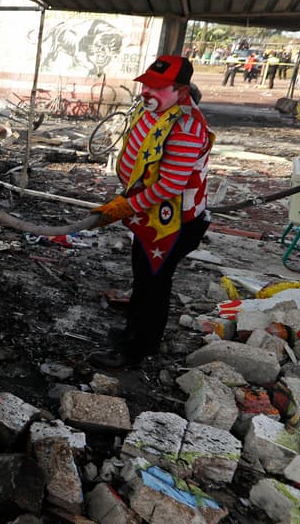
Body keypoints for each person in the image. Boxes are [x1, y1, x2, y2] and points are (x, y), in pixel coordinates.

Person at [88, 55, 214, 370]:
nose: (147, 92)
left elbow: (170, 185)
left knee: (154, 285)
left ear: (182, 90)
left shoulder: (186, 126)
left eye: (158, 87)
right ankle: (135, 334)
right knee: (142, 279)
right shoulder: (160, 110)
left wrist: (126, 205)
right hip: (152, 215)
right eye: (146, 84)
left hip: (175, 223)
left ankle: (136, 351)